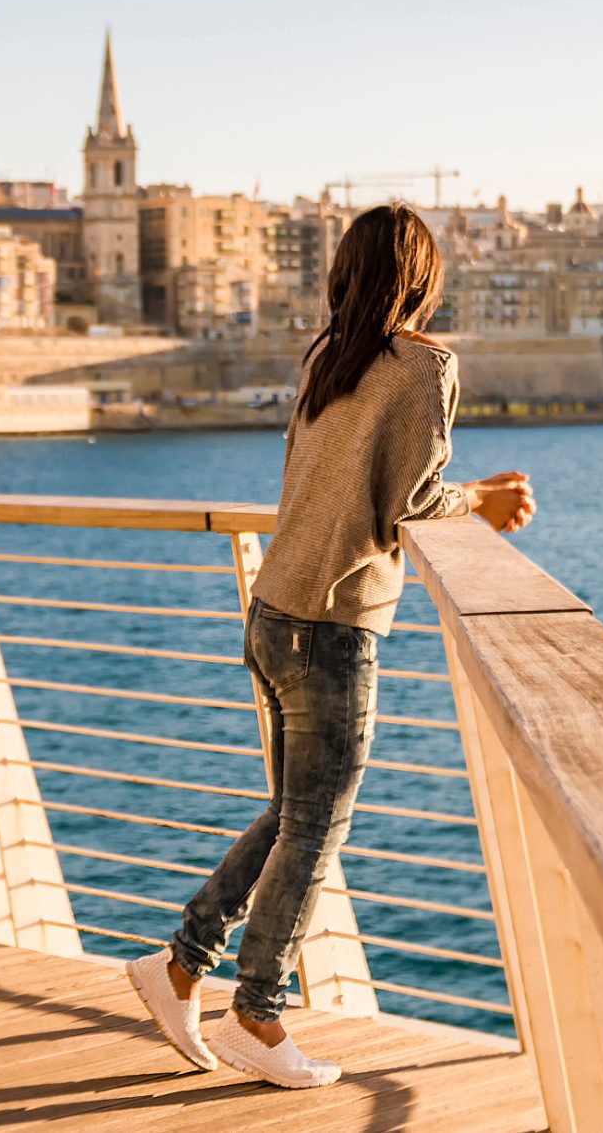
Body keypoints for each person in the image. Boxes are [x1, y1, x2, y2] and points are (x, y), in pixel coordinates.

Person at [125, 202, 535, 1088]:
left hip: (272, 609)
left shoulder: (327, 357)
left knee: (292, 814)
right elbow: (410, 504)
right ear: (422, 277)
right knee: (317, 822)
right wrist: (486, 503)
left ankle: (180, 966)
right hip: (333, 624)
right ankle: (256, 1017)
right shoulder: (427, 365)